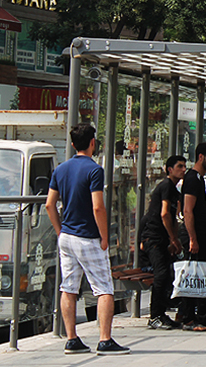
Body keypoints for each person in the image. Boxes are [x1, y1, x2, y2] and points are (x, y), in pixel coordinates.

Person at [46, 123, 129, 355]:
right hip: (88, 237)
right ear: (93, 143)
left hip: (67, 237)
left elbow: (49, 204)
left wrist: (59, 230)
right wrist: (104, 237)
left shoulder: (60, 169)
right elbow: (98, 207)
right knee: (104, 288)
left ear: (73, 144)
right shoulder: (94, 170)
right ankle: (105, 339)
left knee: (69, 287)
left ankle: (71, 339)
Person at [140, 155, 186, 330]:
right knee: (160, 274)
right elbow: (165, 213)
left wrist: (174, 239)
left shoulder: (175, 191)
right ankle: (154, 316)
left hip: (164, 238)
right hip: (154, 237)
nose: (183, 169)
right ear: (169, 169)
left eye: (184, 166)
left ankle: (162, 313)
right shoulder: (166, 186)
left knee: (166, 275)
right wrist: (172, 238)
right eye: (179, 166)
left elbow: (174, 218)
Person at [180, 142, 206, 332]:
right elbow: (187, 210)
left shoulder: (199, 178)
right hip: (194, 237)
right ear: (201, 157)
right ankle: (188, 317)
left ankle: (203, 314)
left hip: (201, 236)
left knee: (202, 273)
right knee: (192, 274)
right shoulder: (192, 179)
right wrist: (192, 238)